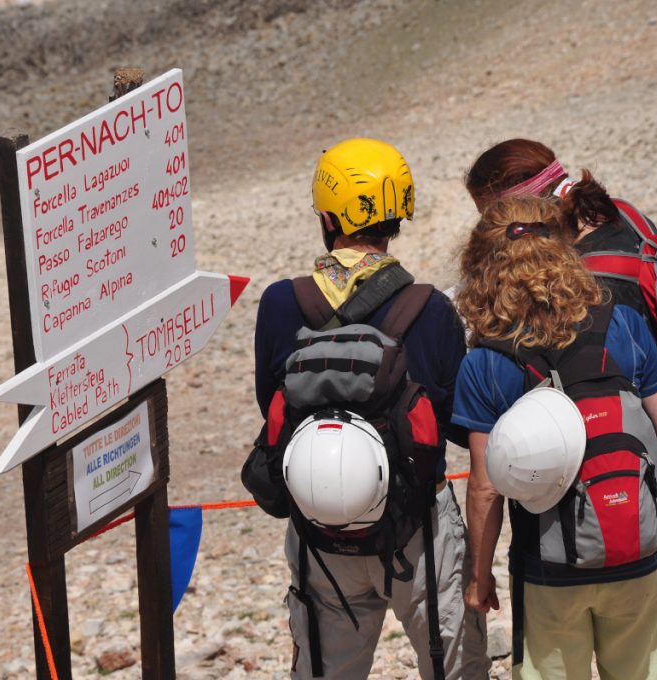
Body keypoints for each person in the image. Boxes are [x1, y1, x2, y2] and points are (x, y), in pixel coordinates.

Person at [464, 139, 657, 680]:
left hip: (625, 469)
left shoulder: (585, 282)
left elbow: (486, 480)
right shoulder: (624, 217)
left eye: (494, 217)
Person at [253, 137, 491, 679]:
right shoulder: (430, 309)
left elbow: (270, 405)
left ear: (329, 216)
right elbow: (456, 422)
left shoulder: (278, 303)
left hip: (320, 531)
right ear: (398, 215)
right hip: (419, 531)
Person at [452, 197, 657, 680]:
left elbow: (485, 487)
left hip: (549, 564)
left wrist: (479, 577)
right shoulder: (621, 324)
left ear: (482, 262)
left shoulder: (485, 362)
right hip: (638, 552)